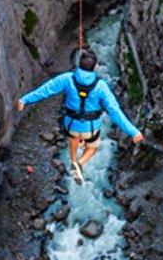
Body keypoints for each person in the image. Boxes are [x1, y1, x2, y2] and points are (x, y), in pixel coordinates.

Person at [17, 48, 143, 184]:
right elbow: (115, 111)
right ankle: (80, 163)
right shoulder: (101, 86)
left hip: (70, 125)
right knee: (92, 147)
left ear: (79, 64)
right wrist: (133, 132)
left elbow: (47, 89)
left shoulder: (67, 79)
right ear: (95, 67)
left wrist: (25, 100)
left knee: (74, 139)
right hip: (91, 128)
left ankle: (72, 161)